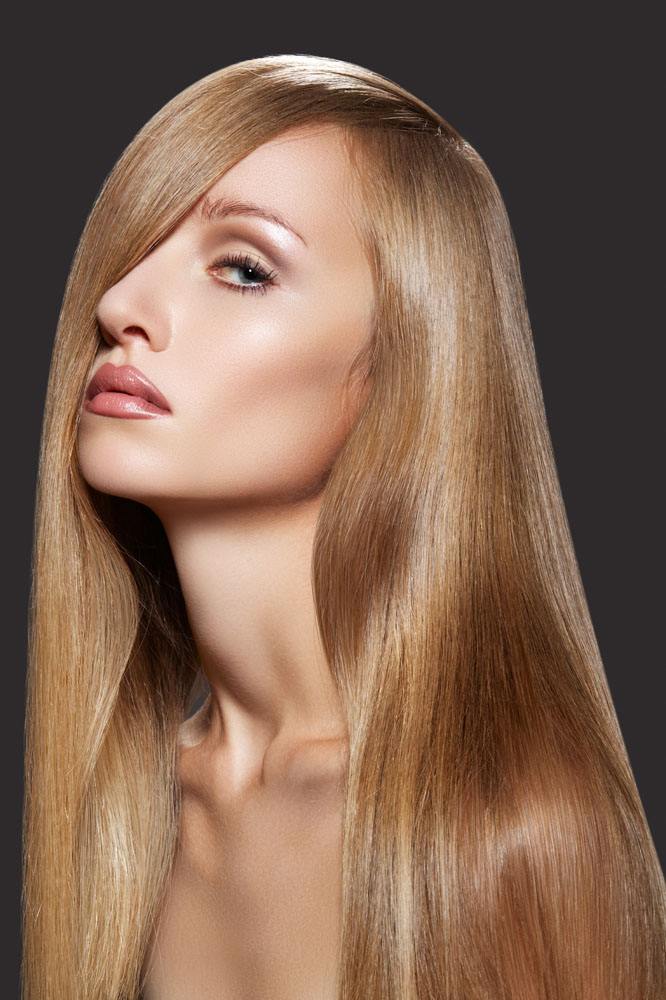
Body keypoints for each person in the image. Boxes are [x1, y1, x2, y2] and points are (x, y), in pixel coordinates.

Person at [22, 54, 666, 1000]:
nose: (120, 307)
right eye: (133, 250)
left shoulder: (508, 839)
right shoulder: (118, 813)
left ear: (396, 371)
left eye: (243, 268)